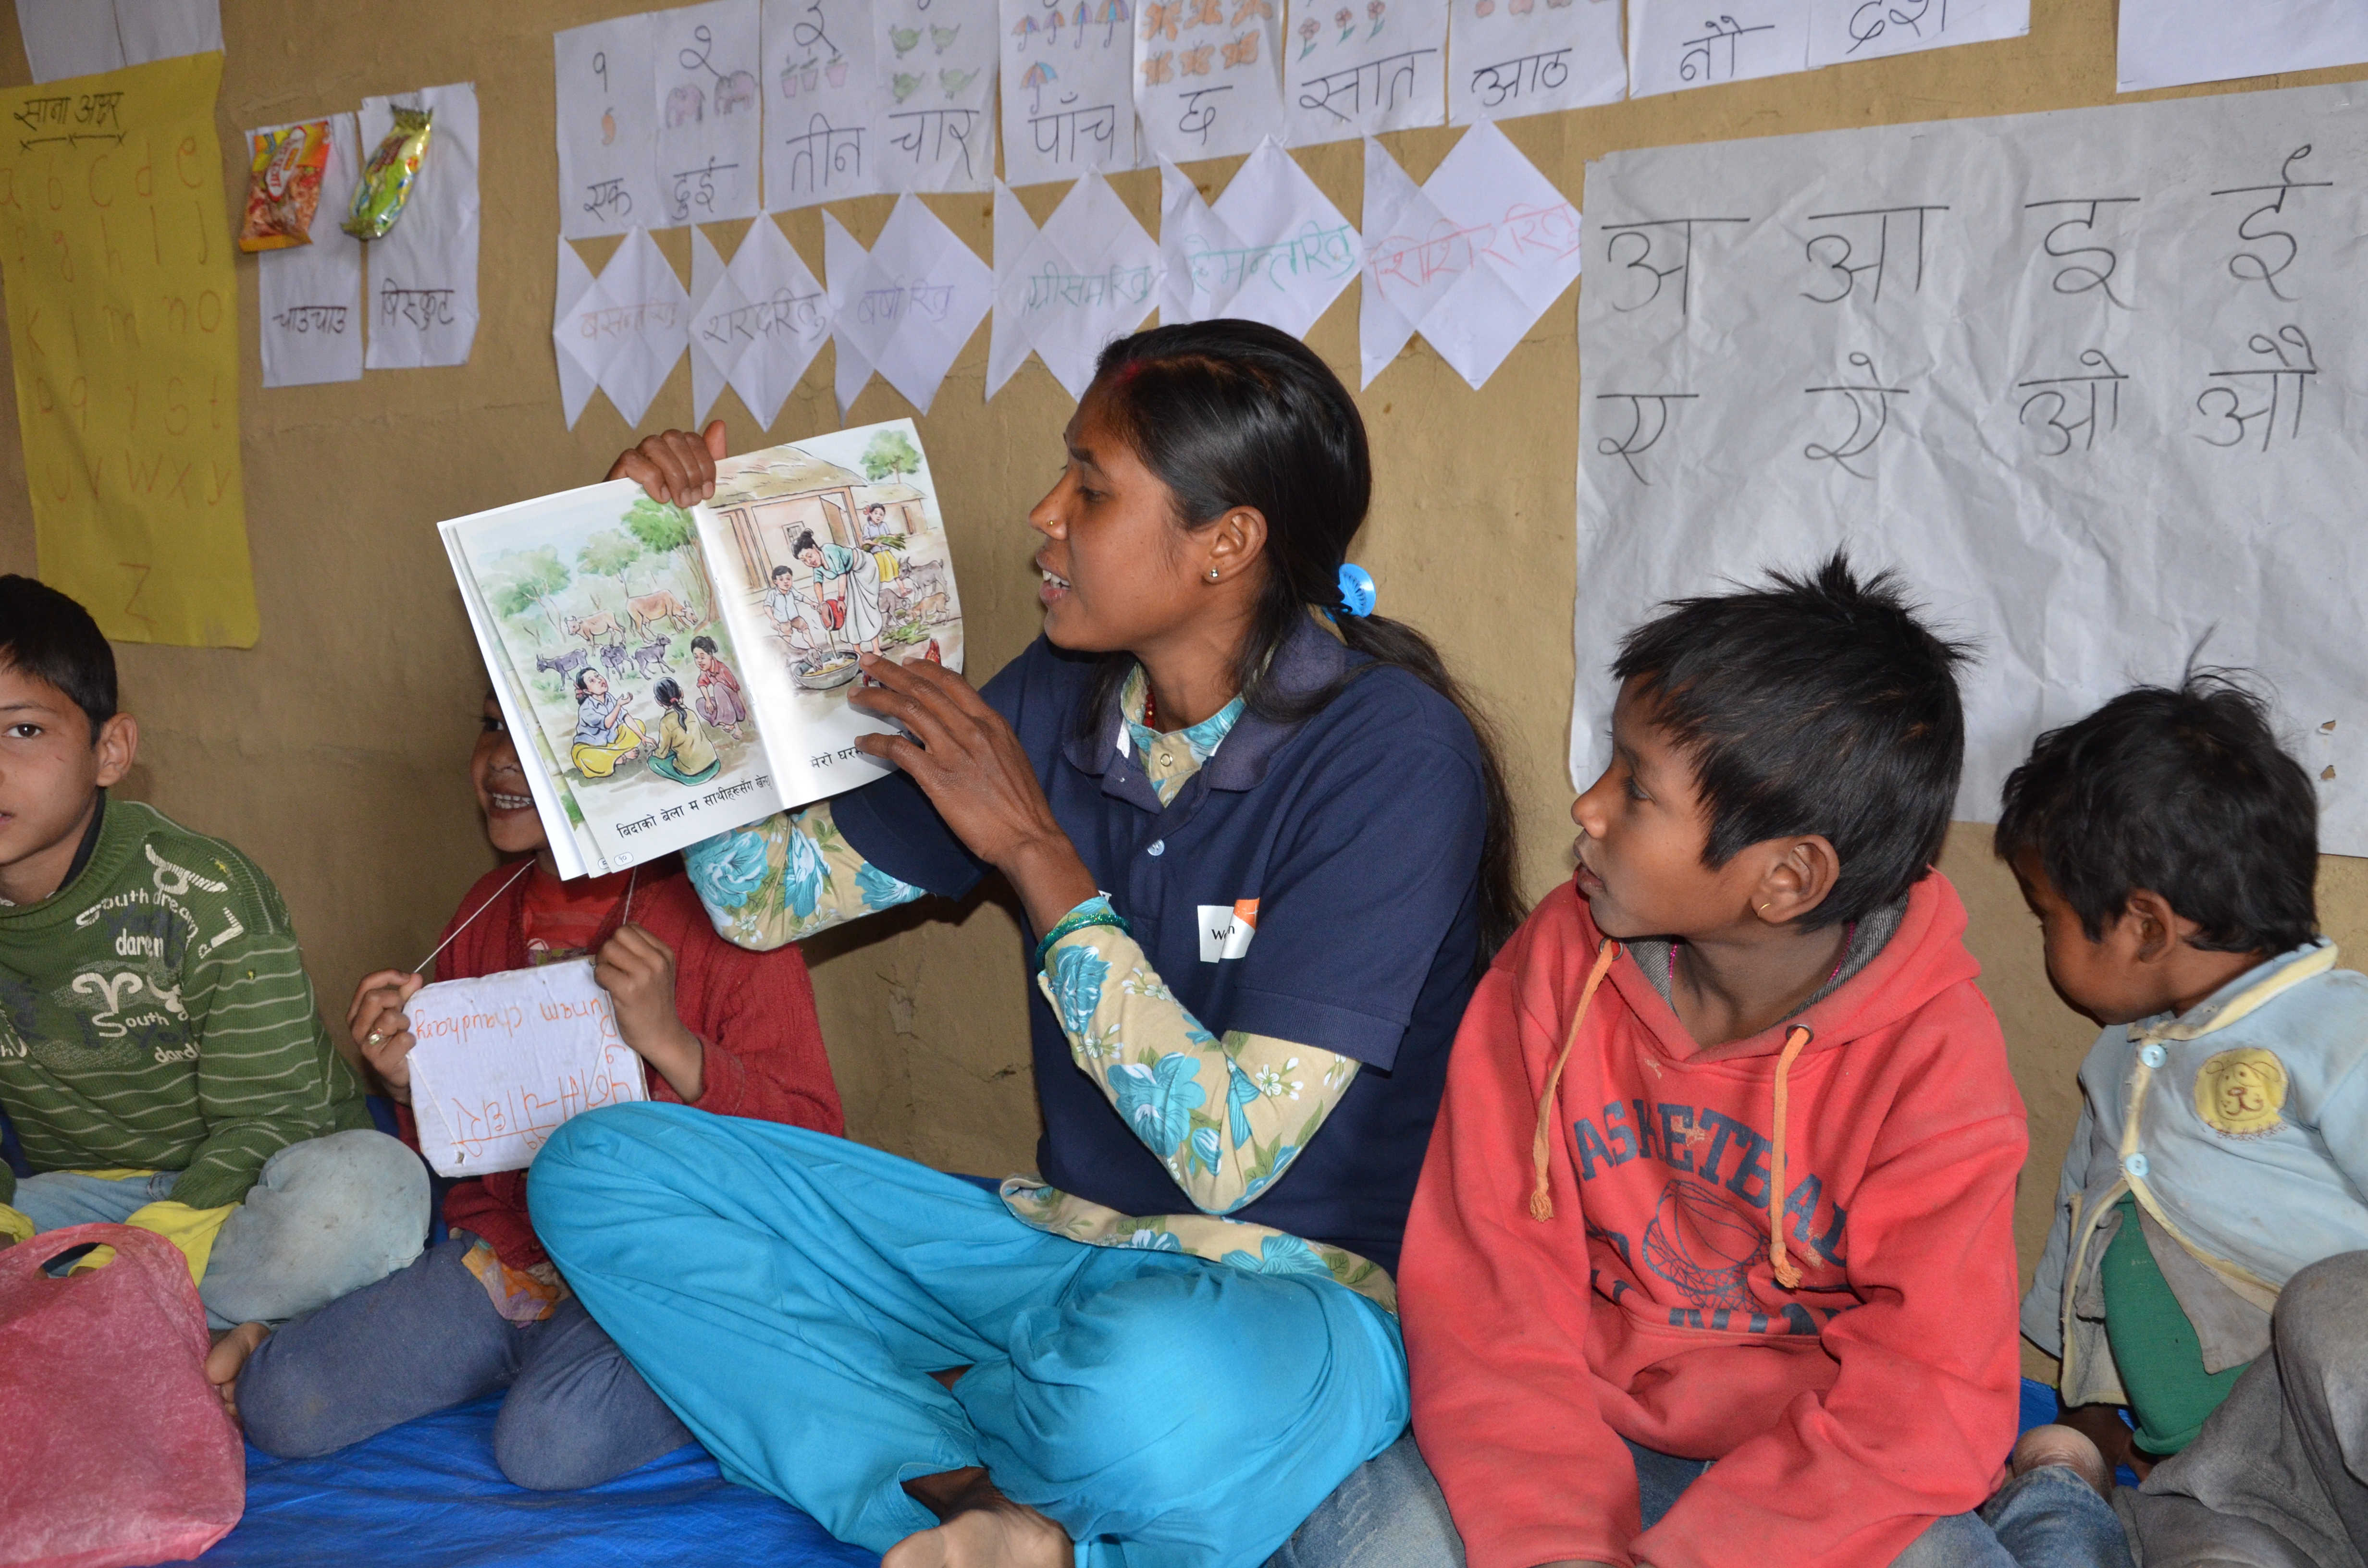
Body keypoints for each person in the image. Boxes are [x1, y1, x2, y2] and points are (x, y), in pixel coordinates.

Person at [529, 323, 1525, 1568]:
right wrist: (677, 598)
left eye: (1093, 490)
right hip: (1049, 1246)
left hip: (1282, 1298)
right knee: (603, 1170)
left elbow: (1225, 1153)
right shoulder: (1059, 694)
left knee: (1147, 1397)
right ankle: (978, 1500)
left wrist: (1035, 852)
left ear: (1228, 543)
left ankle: (964, 1458)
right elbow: (757, 899)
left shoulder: (1390, 753)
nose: (1044, 515)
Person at [1396, 556, 2129, 1568]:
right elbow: (1486, 1296)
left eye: (1636, 790)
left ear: (1784, 879)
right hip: (1571, 1423)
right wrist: (1556, 1544)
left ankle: (2055, 1494)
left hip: (1817, 1467)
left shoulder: (1932, 1060)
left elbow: (1924, 1395)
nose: (1587, 810)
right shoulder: (1555, 966)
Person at [207, 689, 845, 1491]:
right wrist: (412, 1078)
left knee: (550, 1443)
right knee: (283, 1402)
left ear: (642, 748)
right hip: (517, 1259)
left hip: (666, 1267)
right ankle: (552, 1348)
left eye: (542, 728)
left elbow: (816, 1143)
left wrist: (673, 1045)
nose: (502, 758)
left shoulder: (734, 916)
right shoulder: (486, 908)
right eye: (491, 723)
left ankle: (736, 1352)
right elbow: (468, 1151)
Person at [2000, 672, 2368, 1566]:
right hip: (2221, 1479)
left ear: (2142, 926)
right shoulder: (2117, 1058)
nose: (2043, 940)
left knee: (2330, 1306)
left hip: (2335, 1432)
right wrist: (2083, 1411)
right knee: (2190, 1542)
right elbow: (2082, 1237)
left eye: (2047, 916)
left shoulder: (2333, 1030)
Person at [0, 575, 426, 1332]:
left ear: (111, 750)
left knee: (372, 1189)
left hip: (250, 1186)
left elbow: (273, 1117)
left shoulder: (203, 894)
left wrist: (142, 1259)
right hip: (87, 1198)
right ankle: (169, 1327)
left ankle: (117, 1318)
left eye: (23, 730)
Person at [793, 526, 886, 658]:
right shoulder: (817, 567)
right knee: (849, 612)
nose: (809, 561)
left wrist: (841, 600)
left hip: (864, 567)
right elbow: (818, 584)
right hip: (850, 574)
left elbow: (843, 575)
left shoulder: (830, 551)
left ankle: (877, 650)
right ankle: (858, 651)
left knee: (865, 608)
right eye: (804, 560)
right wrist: (822, 604)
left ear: (815, 548)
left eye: (809, 556)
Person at [569, 666, 647, 779]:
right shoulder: (586, 709)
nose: (599, 680)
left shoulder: (609, 698)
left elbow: (625, 716)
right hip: (592, 748)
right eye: (592, 681)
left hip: (613, 742)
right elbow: (607, 724)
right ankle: (618, 758)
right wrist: (619, 705)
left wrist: (643, 737)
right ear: (587, 691)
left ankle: (612, 755)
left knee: (638, 724)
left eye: (598, 676)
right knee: (585, 758)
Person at [646, 677, 721, 785]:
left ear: (659, 701)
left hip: (692, 774)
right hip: (714, 764)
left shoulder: (666, 722)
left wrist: (653, 753)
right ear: (681, 692)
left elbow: (662, 754)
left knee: (653, 762)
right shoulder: (691, 713)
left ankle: (685, 777)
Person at [691, 636, 748, 740]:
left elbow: (737, 691)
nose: (699, 661)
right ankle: (727, 723)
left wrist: (748, 715)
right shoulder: (706, 670)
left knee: (718, 687)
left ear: (710, 655)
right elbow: (702, 684)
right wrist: (708, 700)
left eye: (703, 657)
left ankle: (737, 728)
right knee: (700, 703)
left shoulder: (722, 669)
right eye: (696, 657)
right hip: (724, 707)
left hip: (736, 708)